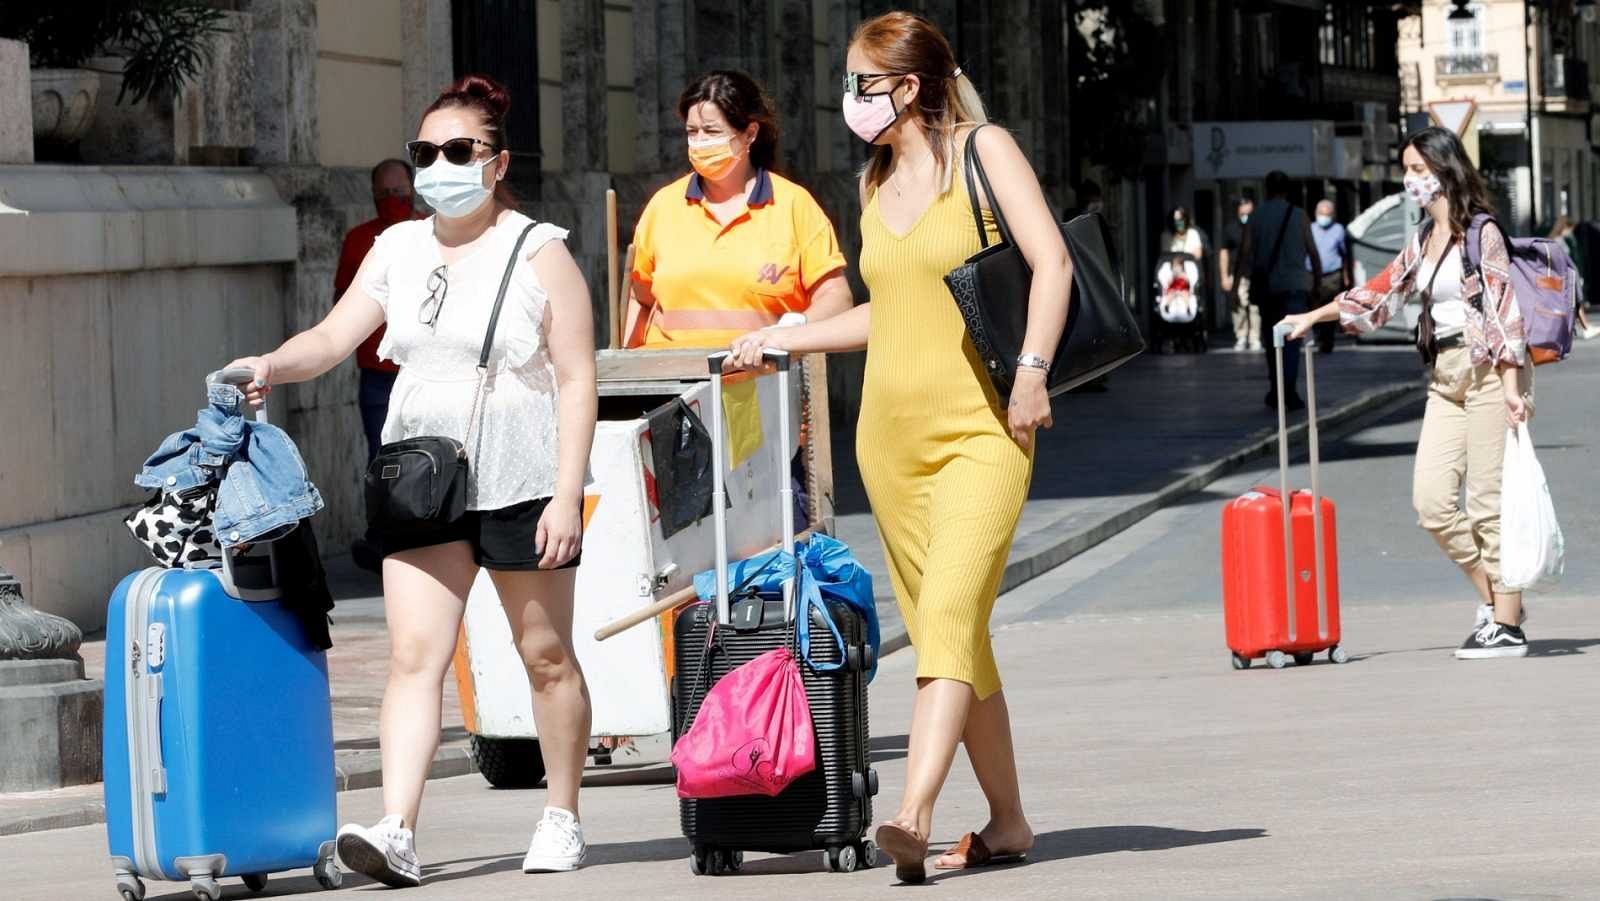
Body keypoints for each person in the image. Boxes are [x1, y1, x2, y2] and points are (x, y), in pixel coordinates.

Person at [226, 74, 599, 885]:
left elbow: (576, 378)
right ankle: (397, 825)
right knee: (412, 656)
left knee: (543, 653)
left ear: (497, 164)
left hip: (520, 475)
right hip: (421, 479)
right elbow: (331, 338)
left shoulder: (540, 251)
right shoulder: (397, 249)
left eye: (458, 151)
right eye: (424, 152)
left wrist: (569, 491)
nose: (439, 165)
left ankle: (563, 812)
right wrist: (270, 365)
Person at [726, 11, 1070, 884]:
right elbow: (894, 309)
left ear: (908, 87)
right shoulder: (875, 182)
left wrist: (1032, 369)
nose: (850, 101)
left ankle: (911, 812)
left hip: (986, 431)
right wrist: (789, 338)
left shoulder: (985, 152)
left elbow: (1053, 262)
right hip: (890, 441)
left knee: (948, 621)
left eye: (861, 84)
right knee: (958, 632)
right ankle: (1010, 819)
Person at [1279, 126, 1535, 660]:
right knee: (1433, 503)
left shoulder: (1480, 232)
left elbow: (1504, 312)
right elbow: (1380, 295)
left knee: (1487, 505)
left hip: (1488, 372)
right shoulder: (1423, 239)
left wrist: (1513, 389)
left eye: (1418, 170)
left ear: (1445, 171)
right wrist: (1315, 314)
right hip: (1444, 377)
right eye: (1407, 170)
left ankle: (1507, 626)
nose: (1409, 180)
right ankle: (1498, 601)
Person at [624, 70, 852, 349]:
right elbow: (640, 298)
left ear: (750, 134)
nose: (699, 141)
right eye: (692, 132)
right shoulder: (664, 206)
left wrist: (793, 330)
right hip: (674, 381)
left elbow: (836, 296)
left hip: (762, 379)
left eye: (711, 131)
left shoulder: (793, 205)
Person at [337, 159, 419, 465]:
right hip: (378, 373)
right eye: (383, 192)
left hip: (425, 369)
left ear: (412, 189)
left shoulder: (431, 232)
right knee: (383, 460)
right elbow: (342, 302)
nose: (391, 198)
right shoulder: (359, 240)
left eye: (398, 190)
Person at [1247, 171, 1321, 410]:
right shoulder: (1299, 215)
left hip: (1268, 288)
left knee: (1271, 341)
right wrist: (1317, 283)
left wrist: (1234, 285)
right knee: (1291, 341)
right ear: (1287, 190)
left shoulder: (1256, 216)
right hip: (1295, 287)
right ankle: (1287, 390)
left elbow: (1244, 252)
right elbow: (1312, 251)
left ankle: (1276, 388)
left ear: (1266, 189)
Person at [1307, 199, 1353, 354]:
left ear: (1332, 215)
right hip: (1312, 275)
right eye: (1321, 214)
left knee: (1329, 307)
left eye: (1327, 214)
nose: (1324, 217)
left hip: (1332, 276)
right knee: (1313, 306)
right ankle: (1316, 336)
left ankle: (1327, 341)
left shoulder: (1339, 230)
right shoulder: (1309, 229)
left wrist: (1346, 276)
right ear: (1316, 214)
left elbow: (1344, 254)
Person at [1221, 197, 1259, 351]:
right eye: (1243, 212)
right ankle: (1241, 336)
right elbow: (1224, 252)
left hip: (1255, 273)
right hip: (1237, 274)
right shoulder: (1231, 229)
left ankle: (1255, 338)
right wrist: (1224, 276)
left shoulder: (1258, 228)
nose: (1246, 216)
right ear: (1238, 212)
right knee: (1238, 306)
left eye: (1249, 213)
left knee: (1255, 308)